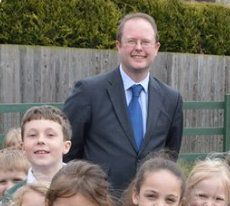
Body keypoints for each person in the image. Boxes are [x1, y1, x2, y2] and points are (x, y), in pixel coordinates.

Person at [63, 12, 184, 194]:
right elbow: (68, 151)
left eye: (145, 42)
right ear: (118, 46)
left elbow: (169, 157)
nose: (138, 48)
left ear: (156, 48)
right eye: (131, 41)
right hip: (99, 203)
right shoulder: (89, 92)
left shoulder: (171, 99)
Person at [6, 106, 72, 200]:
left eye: (50, 135)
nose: (40, 140)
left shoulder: (85, 189)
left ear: (66, 146)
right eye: (32, 135)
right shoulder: (12, 196)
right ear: (23, 147)